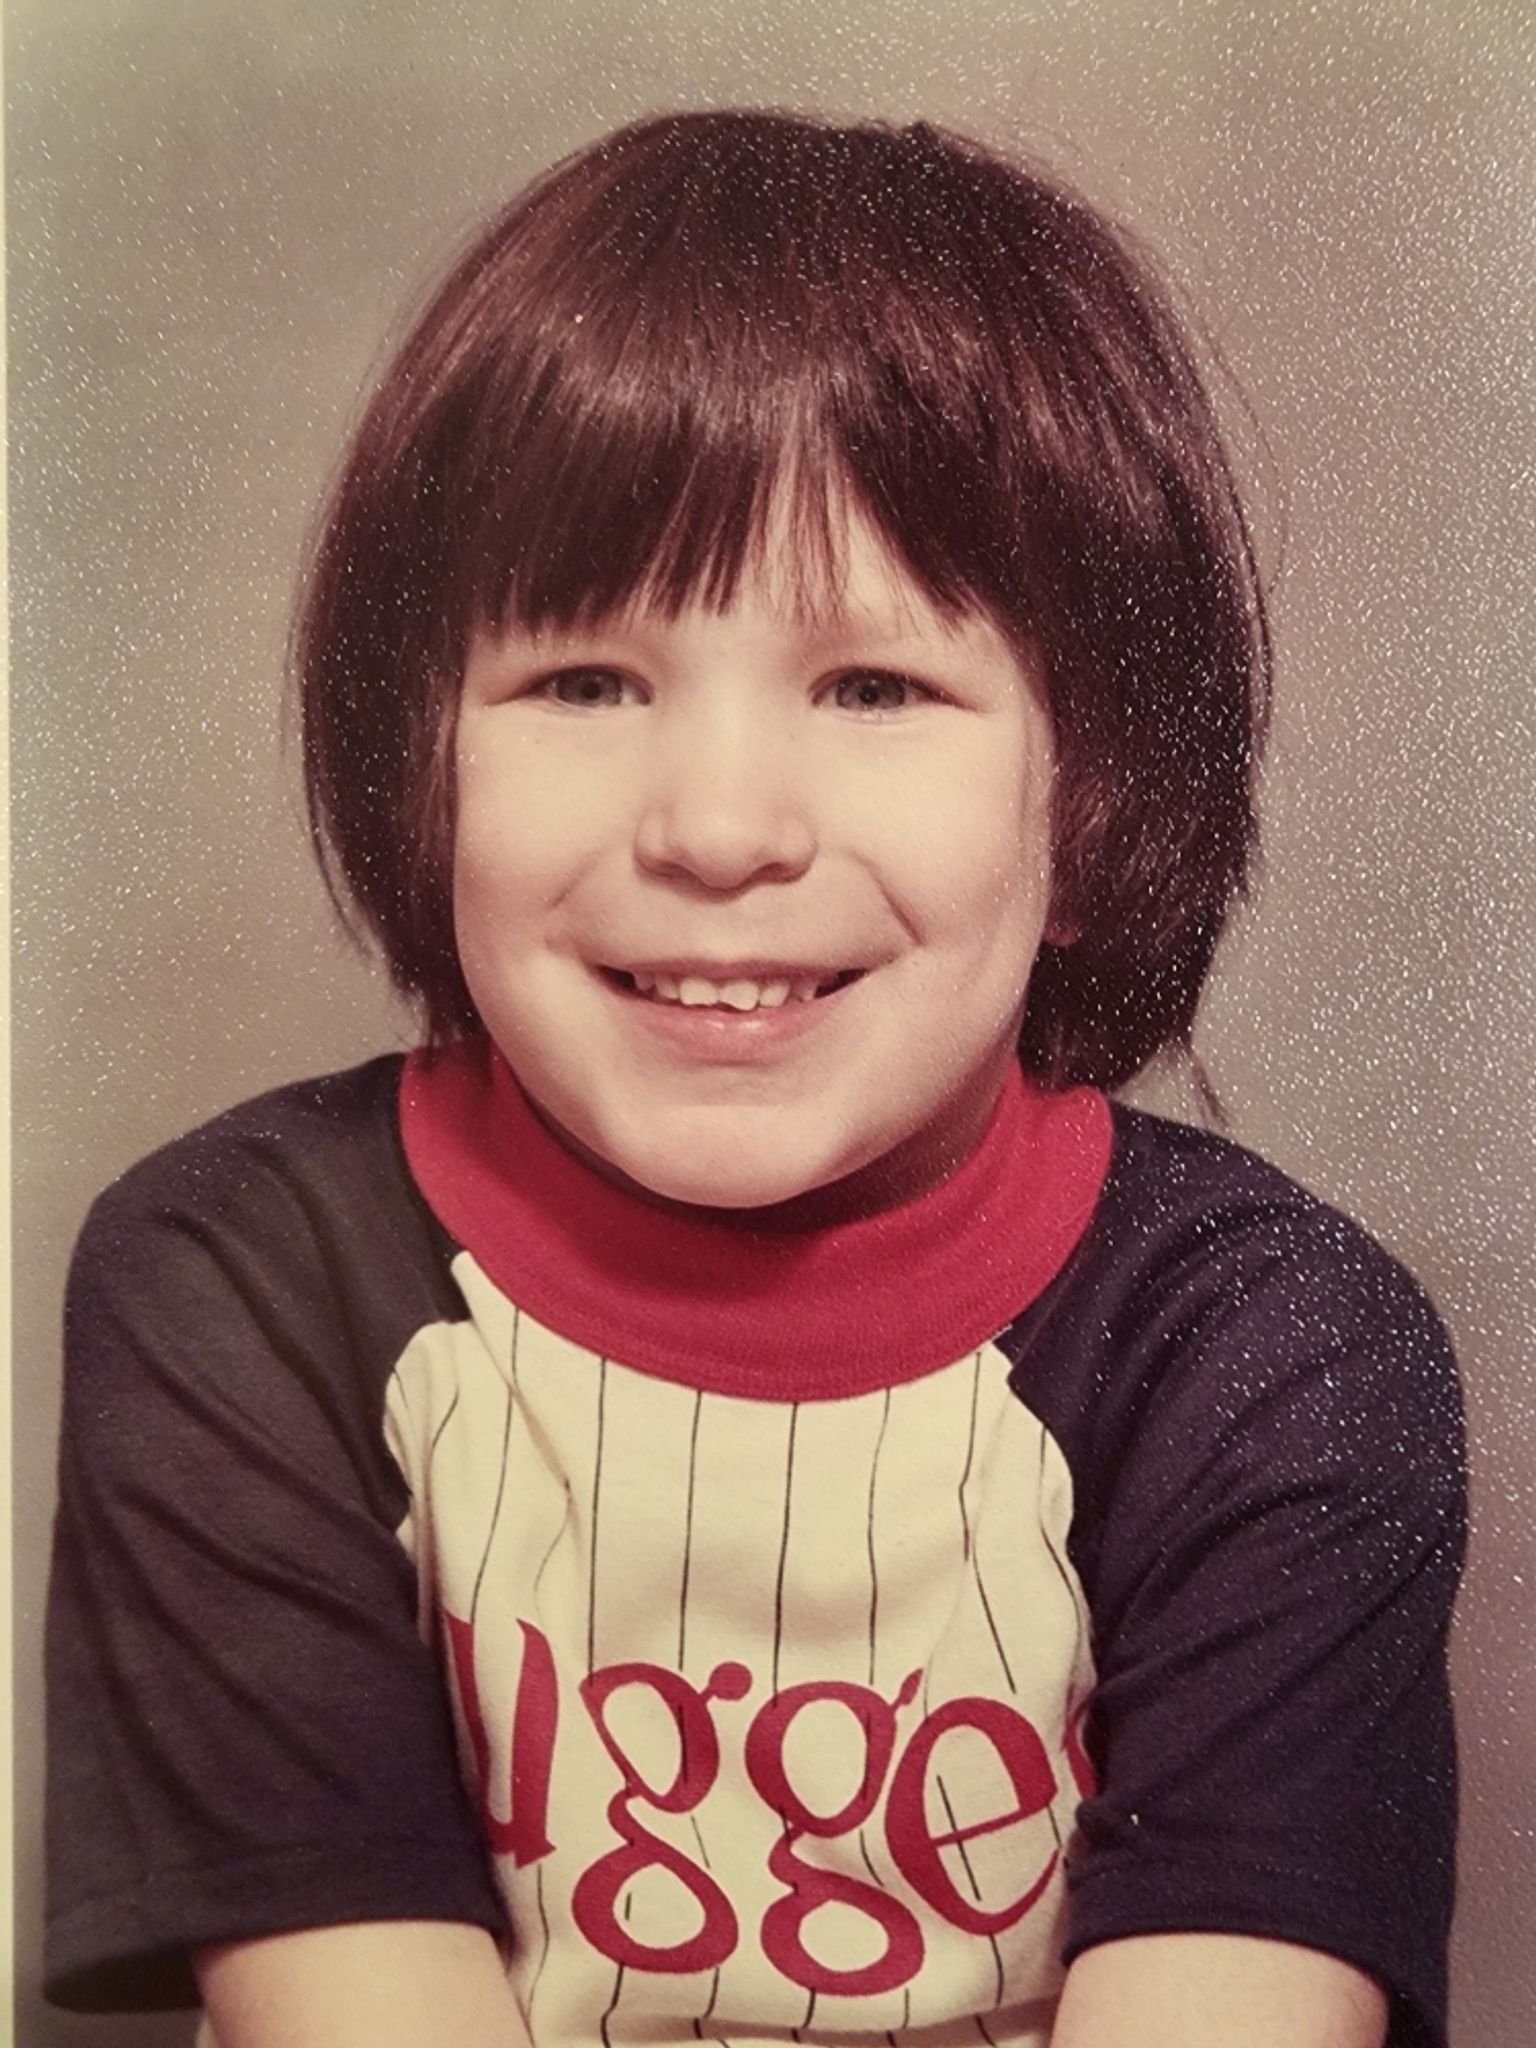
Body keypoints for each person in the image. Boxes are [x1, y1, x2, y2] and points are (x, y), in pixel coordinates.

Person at [44, 109, 1464, 2048]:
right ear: (422, 763)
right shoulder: (244, 1283)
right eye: (586, 682)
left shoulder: (1276, 1351)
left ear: (1098, 796)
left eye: (875, 687)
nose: (717, 829)